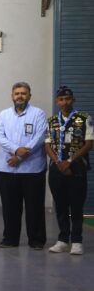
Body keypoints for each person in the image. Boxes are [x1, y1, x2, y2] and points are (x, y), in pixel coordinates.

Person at [0, 82, 48, 249]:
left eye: (23, 93)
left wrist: (21, 155)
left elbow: (40, 137)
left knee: (35, 207)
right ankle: (10, 239)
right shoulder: (4, 115)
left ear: (29, 96)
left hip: (33, 169)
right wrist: (16, 150)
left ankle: (36, 240)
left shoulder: (38, 114)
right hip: (8, 168)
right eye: (17, 93)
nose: (20, 96)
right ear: (12, 96)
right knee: (10, 207)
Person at [45, 86, 92, 255]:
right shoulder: (52, 121)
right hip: (57, 167)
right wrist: (59, 162)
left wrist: (70, 161)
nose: (65, 102)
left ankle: (77, 241)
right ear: (57, 101)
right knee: (61, 205)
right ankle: (63, 240)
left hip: (76, 167)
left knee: (76, 205)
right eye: (61, 99)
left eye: (68, 99)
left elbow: (89, 143)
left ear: (73, 100)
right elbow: (47, 145)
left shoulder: (84, 118)